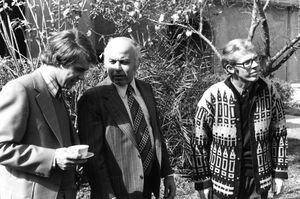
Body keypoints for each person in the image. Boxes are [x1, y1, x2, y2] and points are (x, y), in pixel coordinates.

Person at [0, 29, 98, 199]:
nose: (82, 77)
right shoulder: (20, 89)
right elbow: (2, 148)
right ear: (60, 60)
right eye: (79, 70)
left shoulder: (56, 90)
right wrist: (52, 158)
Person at [77, 37, 176, 199]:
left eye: (124, 62)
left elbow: (155, 133)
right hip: (118, 191)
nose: (117, 68)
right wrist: (108, 195)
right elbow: (93, 158)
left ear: (137, 63)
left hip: (147, 187)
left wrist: (168, 174)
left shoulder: (146, 89)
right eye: (112, 61)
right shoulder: (93, 98)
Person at [191, 38, 288, 199]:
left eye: (256, 59)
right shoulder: (213, 96)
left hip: (258, 181)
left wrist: (279, 173)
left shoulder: (269, 91)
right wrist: (203, 181)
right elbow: (199, 141)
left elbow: (279, 134)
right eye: (247, 62)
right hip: (223, 183)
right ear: (230, 68)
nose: (256, 65)